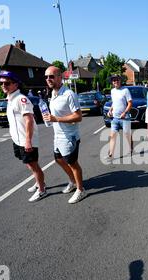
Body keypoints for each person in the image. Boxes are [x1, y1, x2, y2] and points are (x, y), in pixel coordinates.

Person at [0, 70, 47, 202]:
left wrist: (28, 141)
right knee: (28, 164)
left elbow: (29, 120)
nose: (3, 86)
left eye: (7, 83)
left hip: (26, 140)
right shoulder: (10, 99)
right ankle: (38, 183)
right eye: (1, 83)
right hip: (18, 140)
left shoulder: (21, 99)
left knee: (34, 165)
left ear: (16, 84)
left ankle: (42, 189)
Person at [42, 66, 87, 204]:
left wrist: (57, 119)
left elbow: (78, 116)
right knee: (58, 160)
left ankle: (81, 190)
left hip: (69, 137)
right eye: (46, 77)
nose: (48, 79)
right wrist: (49, 118)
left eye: (51, 76)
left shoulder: (69, 94)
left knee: (73, 163)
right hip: (57, 136)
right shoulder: (53, 94)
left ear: (60, 77)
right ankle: (73, 182)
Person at [107, 74, 133, 159]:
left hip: (125, 118)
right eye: (114, 80)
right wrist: (110, 110)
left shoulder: (125, 90)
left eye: (117, 80)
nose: (116, 82)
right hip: (115, 118)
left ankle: (131, 148)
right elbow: (114, 103)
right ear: (112, 82)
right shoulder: (112, 91)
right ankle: (111, 153)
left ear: (120, 81)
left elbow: (130, 103)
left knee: (127, 134)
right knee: (113, 135)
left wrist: (125, 112)